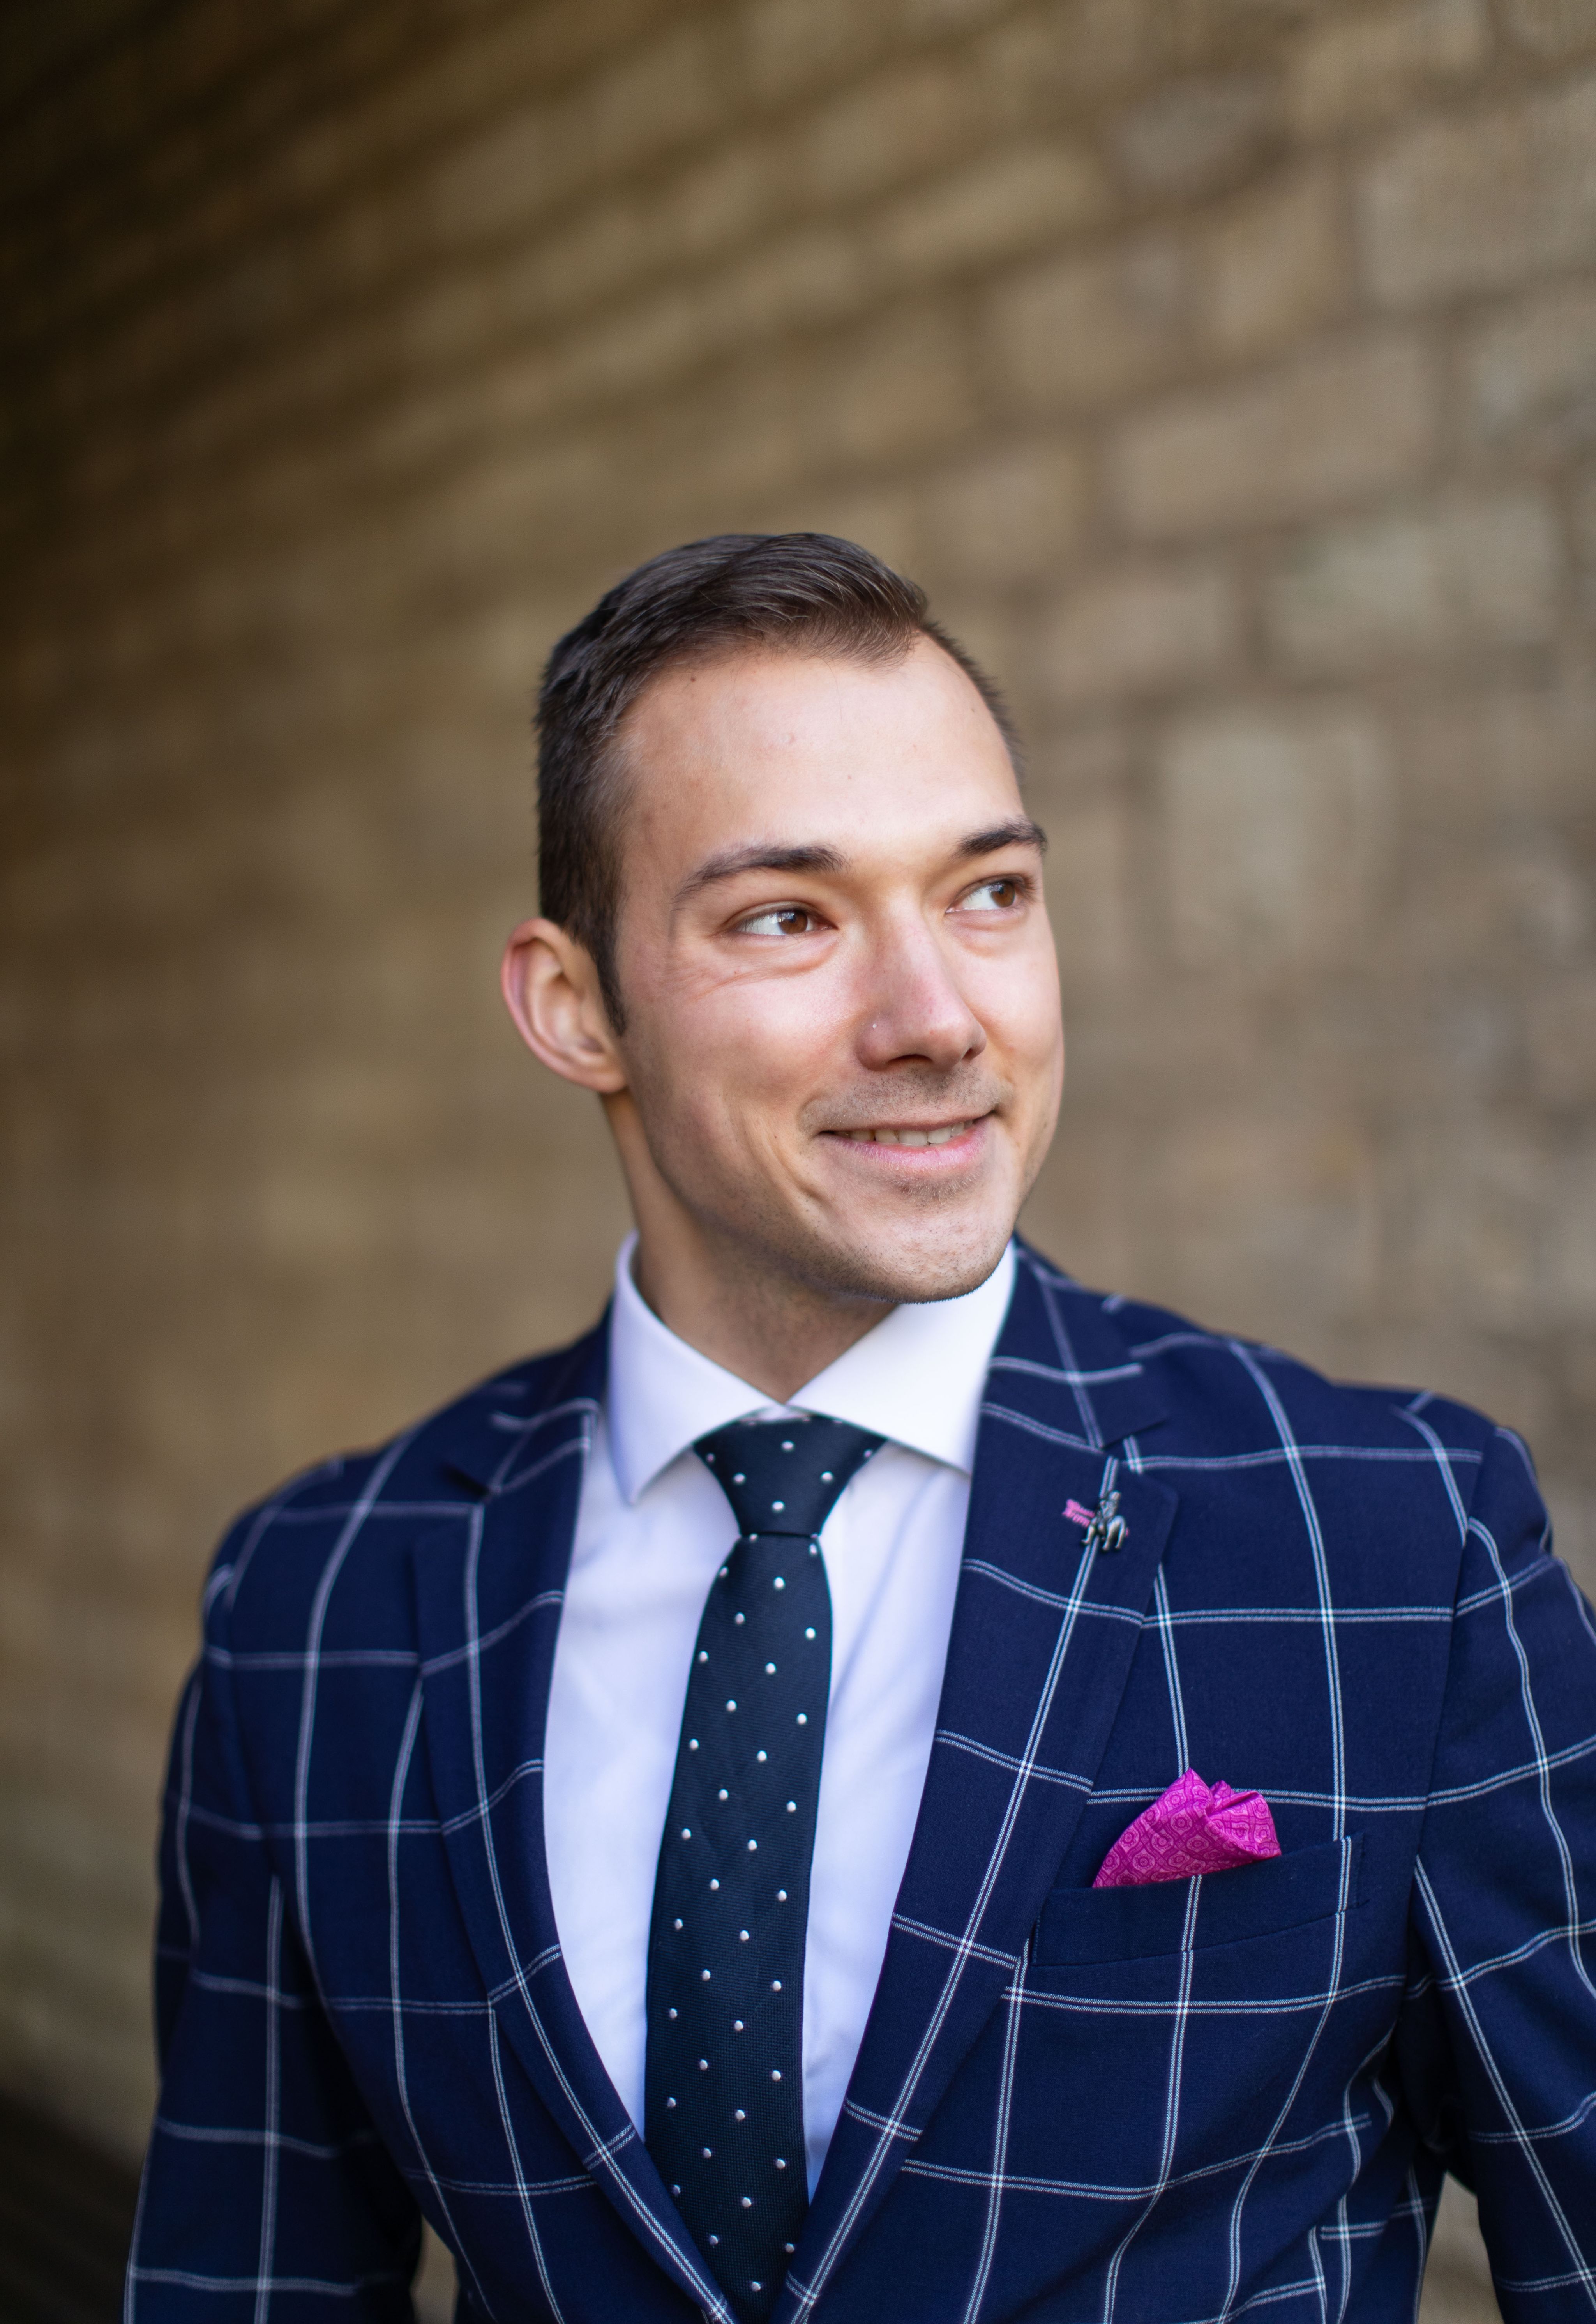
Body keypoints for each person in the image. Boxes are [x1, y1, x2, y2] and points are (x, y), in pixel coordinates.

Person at [127, 535, 1596, 2324]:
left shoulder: (1393, 1544)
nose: (935, 1019)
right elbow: (245, 2280)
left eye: (988, 894)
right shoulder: (316, 1609)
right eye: (787, 919)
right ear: (571, 1004)